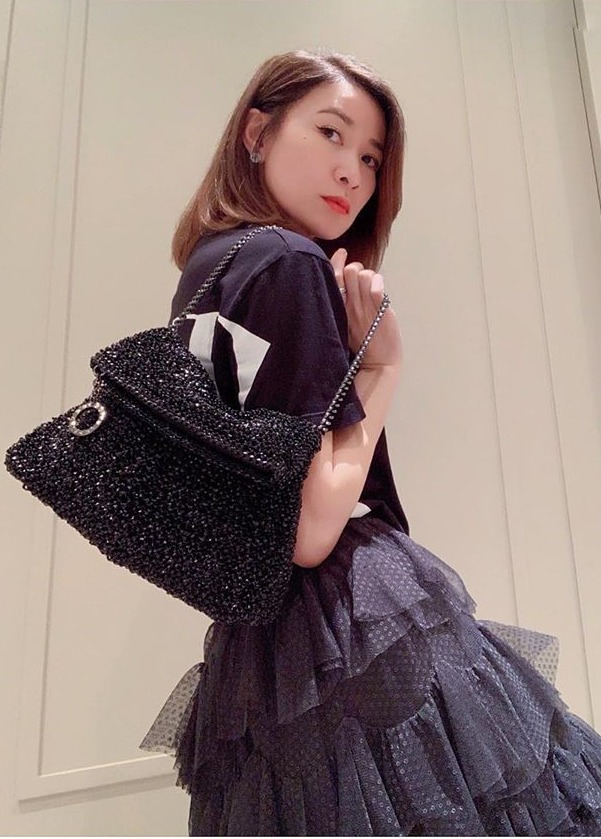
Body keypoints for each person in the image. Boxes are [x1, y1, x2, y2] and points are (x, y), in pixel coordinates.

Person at [140, 50, 601, 836]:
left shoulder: (206, 269)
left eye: (370, 158)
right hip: (342, 617)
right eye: (330, 133)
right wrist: (383, 365)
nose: (350, 173)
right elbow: (309, 529)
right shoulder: (287, 260)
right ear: (256, 132)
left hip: (264, 642)